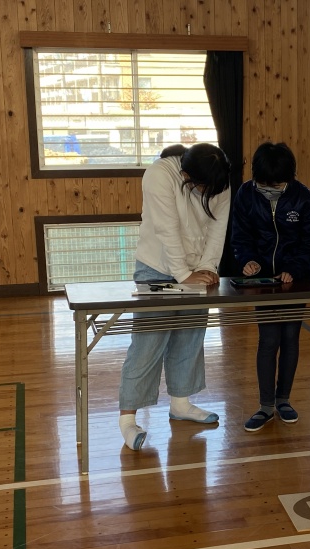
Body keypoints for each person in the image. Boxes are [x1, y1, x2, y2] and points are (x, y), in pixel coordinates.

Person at [118, 143, 231, 451]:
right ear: (186, 175)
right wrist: (183, 275)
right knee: (148, 341)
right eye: (202, 187)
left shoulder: (219, 178)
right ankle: (128, 420)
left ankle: (181, 404)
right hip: (156, 267)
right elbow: (167, 229)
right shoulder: (159, 174)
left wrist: (207, 267)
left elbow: (218, 228)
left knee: (190, 335)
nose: (208, 193)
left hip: (195, 268)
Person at [231, 142, 310, 432]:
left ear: (289, 177)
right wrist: (247, 260)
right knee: (268, 339)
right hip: (264, 282)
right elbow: (240, 236)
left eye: (277, 184)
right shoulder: (245, 194)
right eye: (265, 184)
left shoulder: (304, 197)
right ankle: (265, 406)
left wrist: (294, 269)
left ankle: (284, 400)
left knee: (290, 337)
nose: (270, 189)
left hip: (295, 281)